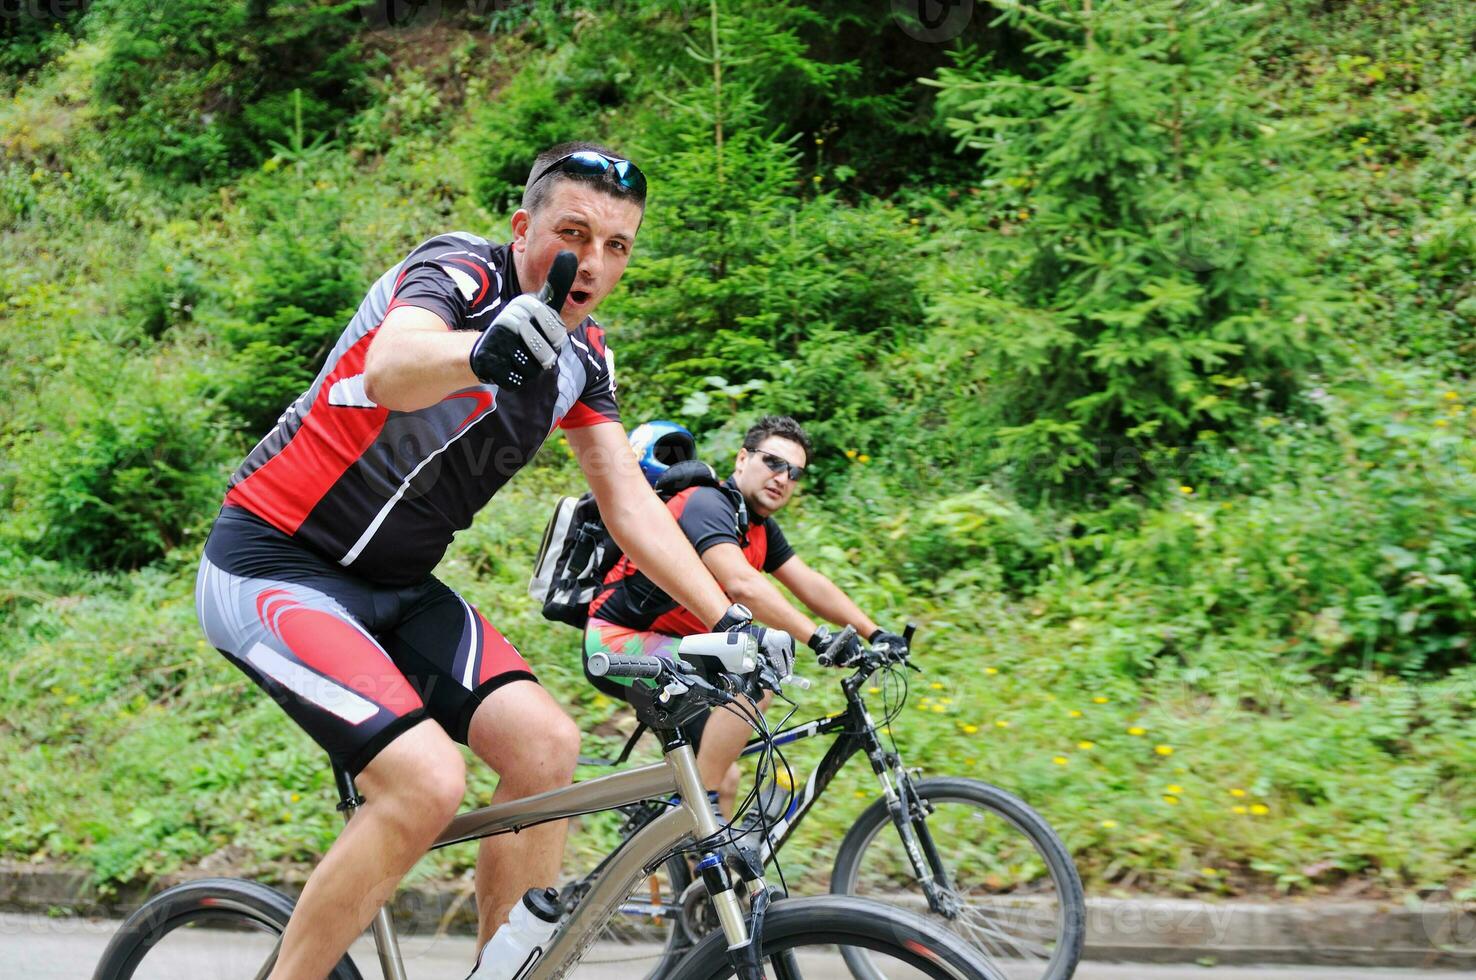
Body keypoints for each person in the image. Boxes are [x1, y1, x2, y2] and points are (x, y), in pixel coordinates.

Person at [194, 142, 783, 980]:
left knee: (547, 748)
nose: (594, 261)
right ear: (524, 226)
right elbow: (393, 367)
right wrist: (479, 352)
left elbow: (628, 502)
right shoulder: (460, 273)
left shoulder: (586, 358)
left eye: (619, 246)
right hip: (273, 565)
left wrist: (730, 619)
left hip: (396, 590)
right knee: (426, 784)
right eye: (575, 233)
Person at [585, 415, 909, 817]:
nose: (782, 477)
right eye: (773, 462)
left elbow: (809, 583)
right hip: (617, 644)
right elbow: (741, 584)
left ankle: (690, 856)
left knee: (726, 779)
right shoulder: (706, 504)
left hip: (677, 652)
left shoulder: (758, 528)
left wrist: (875, 632)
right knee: (753, 673)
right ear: (742, 459)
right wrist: (819, 639)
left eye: (794, 472)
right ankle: (696, 815)